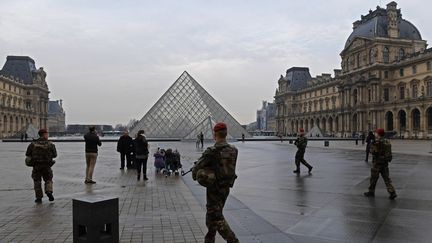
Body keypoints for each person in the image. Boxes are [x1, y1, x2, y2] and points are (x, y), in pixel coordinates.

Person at [192, 122, 239, 243]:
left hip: (214, 188)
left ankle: (233, 240)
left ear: (215, 134)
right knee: (212, 213)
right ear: (226, 134)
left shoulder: (211, 151)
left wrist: (196, 172)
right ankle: (209, 238)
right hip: (226, 187)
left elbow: (198, 167)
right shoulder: (234, 150)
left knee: (217, 216)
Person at [364, 128, 397, 200]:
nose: (375, 134)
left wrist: (371, 147)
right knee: (387, 179)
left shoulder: (376, 142)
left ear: (378, 134)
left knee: (373, 178)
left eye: (376, 133)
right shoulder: (387, 141)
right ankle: (392, 192)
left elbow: (373, 152)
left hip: (377, 163)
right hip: (385, 162)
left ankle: (371, 191)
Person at [25, 129, 57, 203]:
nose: (48, 135)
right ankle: (49, 191)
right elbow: (55, 155)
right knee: (48, 179)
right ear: (44, 134)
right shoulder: (50, 144)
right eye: (47, 134)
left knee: (37, 181)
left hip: (36, 166)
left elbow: (27, 154)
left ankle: (39, 198)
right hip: (47, 166)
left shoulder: (33, 144)